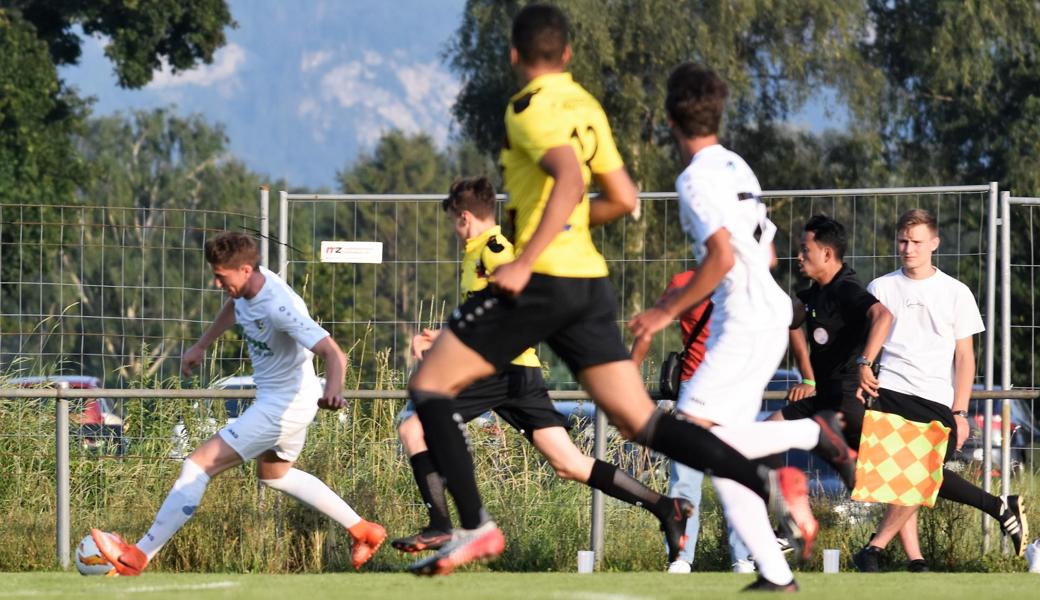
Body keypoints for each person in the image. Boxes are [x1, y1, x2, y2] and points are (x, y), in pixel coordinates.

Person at [404, 5, 836, 586]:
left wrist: (528, 255)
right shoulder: (586, 105)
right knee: (640, 420)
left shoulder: (527, 108)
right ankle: (761, 478)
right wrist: (571, 227)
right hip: (589, 284)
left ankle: (474, 523)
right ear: (568, 55)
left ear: (514, 56)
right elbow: (625, 198)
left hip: (545, 282)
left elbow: (570, 179)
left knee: (429, 385)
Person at [628, 63, 860, 591]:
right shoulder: (737, 165)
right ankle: (775, 575)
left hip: (745, 320)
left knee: (689, 436)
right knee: (723, 450)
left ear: (669, 120)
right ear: (718, 112)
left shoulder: (694, 179)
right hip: (767, 310)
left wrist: (663, 312)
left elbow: (720, 259)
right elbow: (768, 249)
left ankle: (813, 433)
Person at [391, 176, 695, 564]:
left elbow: (520, 300)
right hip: (519, 374)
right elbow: (492, 314)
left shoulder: (495, 249)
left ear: (464, 216)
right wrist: (448, 335)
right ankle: (664, 507)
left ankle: (441, 525)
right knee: (568, 463)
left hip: (501, 369)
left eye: (454, 221)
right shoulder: (479, 251)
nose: (454, 229)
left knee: (413, 426)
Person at [89, 232, 386, 575]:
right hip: (286, 400)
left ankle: (138, 555)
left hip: (285, 406)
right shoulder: (249, 288)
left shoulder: (279, 307)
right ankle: (363, 530)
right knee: (275, 476)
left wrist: (334, 389)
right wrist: (202, 345)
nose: (216, 283)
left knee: (199, 464)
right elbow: (235, 307)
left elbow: (334, 352)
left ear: (245, 269)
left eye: (221, 276)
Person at [850, 209, 1028, 571]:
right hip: (888, 394)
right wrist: (863, 371)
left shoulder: (955, 292)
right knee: (902, 480)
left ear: (934, 243)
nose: (908, 248)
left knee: (919, 473)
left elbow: (965, 357)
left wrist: (960, 412)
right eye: (903, 241)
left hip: (934, 400)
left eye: (916, 242)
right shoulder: (881, 287)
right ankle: (917, 560)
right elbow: (867, 343)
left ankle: (874, 548)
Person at [631, 270, 754, 574]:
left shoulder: (746, 279)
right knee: (690, 477)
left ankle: (737, 557)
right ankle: (684, 556)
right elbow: (649, 326)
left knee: (731, 476)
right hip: (702, 387)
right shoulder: (687, 282)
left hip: (730, 388)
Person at [769, 215, 893, 452]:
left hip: (847, 401)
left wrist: (865, 363)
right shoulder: (816, 292)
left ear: (826, 254)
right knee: (768, 433)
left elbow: (883, 316)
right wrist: (807, 378)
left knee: (883, 469)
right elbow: (790, 321)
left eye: (805, 250)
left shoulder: (846, 288)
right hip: (823, 398)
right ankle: (772, 487)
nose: (799, 257)